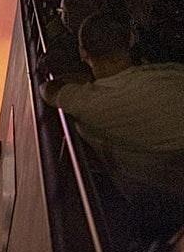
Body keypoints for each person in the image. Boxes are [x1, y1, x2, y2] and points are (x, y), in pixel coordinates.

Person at [43, 12, 184, 230]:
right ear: (130, 41)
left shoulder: (88, 103)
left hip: (157, 205)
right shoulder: (174, 75)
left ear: (83, 53)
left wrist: (81, 81)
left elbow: (48, 90)